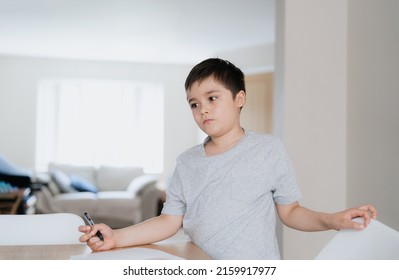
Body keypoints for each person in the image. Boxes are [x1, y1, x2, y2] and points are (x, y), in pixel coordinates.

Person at [79, 58, 377, 259]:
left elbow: (291, 213)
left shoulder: (269, 150)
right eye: (194, 104)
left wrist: (332, 220)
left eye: (212, 98)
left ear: (239, 99)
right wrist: (116, 237)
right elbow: (169, 221)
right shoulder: (186, 162)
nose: (203, 110)